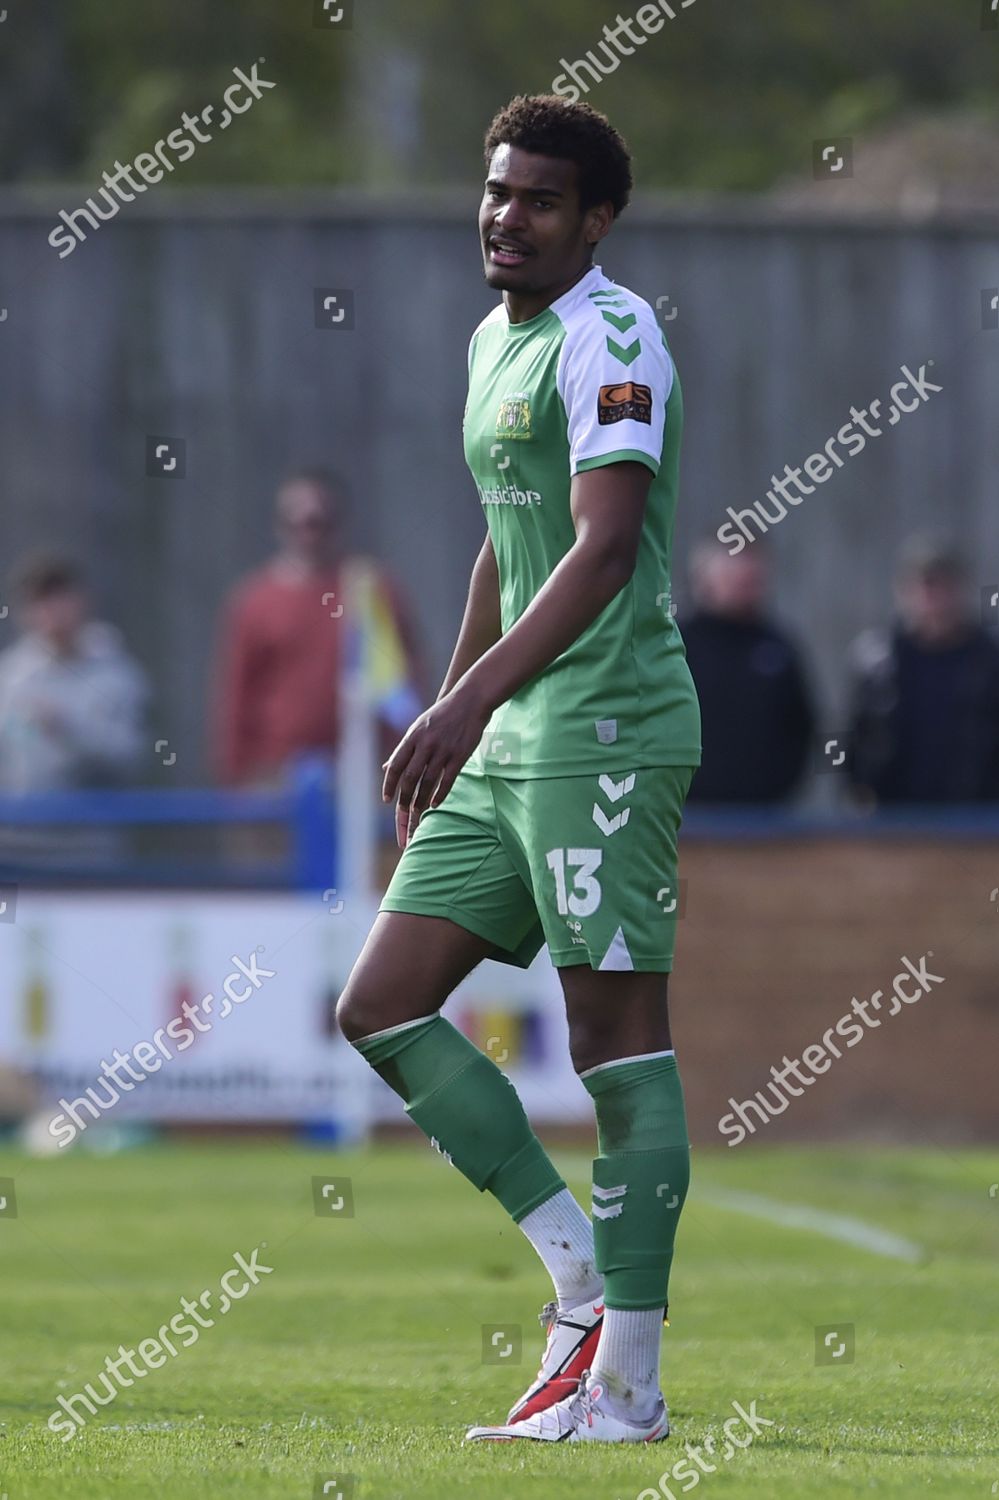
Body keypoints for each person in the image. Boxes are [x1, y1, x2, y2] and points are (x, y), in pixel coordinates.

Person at [336, 95, 701, 1445]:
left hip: (605, 724)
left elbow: (601, 548)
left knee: (615, 1047)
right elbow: (514, 534)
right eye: (496, 192)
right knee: (378, 1006)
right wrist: (454, 702)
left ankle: (630, 1391)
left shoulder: (616, 335)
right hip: (514, 733)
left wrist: (470, 701)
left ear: (594, 221)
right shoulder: (495, 336)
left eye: (540, 199)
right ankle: (576, 1273)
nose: (506, 215)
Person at [210, 468, 423, 787]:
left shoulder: (371, 591)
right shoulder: (255, 601)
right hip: (274, 777)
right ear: (279, 526)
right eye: (296, 522)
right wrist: (235, 777)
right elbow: (237, 693)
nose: (308, 533)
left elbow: (404, 683)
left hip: (362, 773)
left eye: (318, 522)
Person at [847, 536, 999, 804]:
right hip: (893, 819)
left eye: (943, 586)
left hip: (976, 823)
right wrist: (854, 789)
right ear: (902, 590)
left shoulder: (988, 661)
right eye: (925, 585)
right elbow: (842, 735)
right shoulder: (875, 661)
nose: (933, 597)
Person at [679, 537, 816, 803]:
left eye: (751, 578)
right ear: (704, 577)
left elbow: (804, 727)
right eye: (732, 575)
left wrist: (778, 790)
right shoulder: (676, 645)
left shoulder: (779, 649)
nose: (743, 585)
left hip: (762, 821)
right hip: (686, 817)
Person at [0, 556, 147, 796]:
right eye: (41, 601)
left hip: (91, 828)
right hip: (20, 830)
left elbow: (130, 758)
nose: (53, 612)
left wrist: (69, 730)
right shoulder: (9, 676)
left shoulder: (118, 675)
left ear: (82, 602)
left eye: (61, 598)